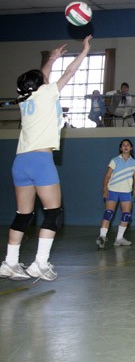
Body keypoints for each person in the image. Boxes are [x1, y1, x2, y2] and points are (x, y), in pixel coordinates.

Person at [0, 35, 92, 282]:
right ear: (41, 85)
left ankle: (9, 263)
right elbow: (69, 73)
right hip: (40, 161)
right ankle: (39, 264)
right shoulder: (46, 93)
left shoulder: (25, 98)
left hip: (20, 162)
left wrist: (51, 59)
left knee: (23, 214)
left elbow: (40, 77)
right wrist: (84, 52)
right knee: (54, 213)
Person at [95, 139, 135, 249]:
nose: (125, 146)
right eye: (123, 145)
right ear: (120, 148)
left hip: (126, 192)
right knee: (108, 213)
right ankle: (102, 237)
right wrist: (105, 189)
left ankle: (119, 238)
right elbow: (107, 176)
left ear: (131, 148)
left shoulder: (134, 163)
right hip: (113, 190)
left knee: (126, 215)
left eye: (128, 145)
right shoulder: (114, 160)